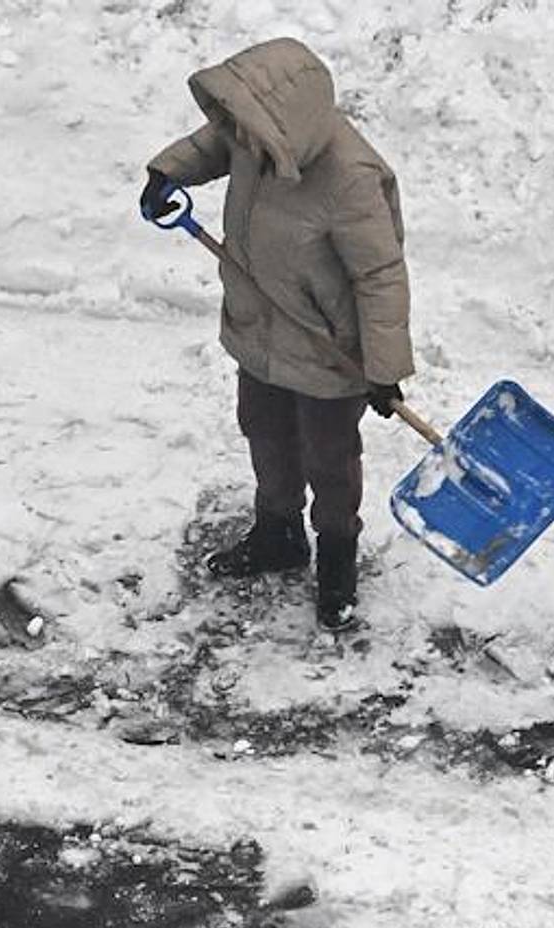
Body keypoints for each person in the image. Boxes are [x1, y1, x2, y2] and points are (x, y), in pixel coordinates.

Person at [140, 37, 414, 631]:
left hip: (328, 350)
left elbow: (381, 274)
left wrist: (384, 366)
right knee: (265, 433)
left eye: (247, 121)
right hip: (258, 324)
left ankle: (337, 560)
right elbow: (213, 141)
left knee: (329, 461)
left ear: (287, 123)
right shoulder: (250, 136)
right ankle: (279, 535)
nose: (238, 132)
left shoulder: (349, 178)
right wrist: (167, 171)